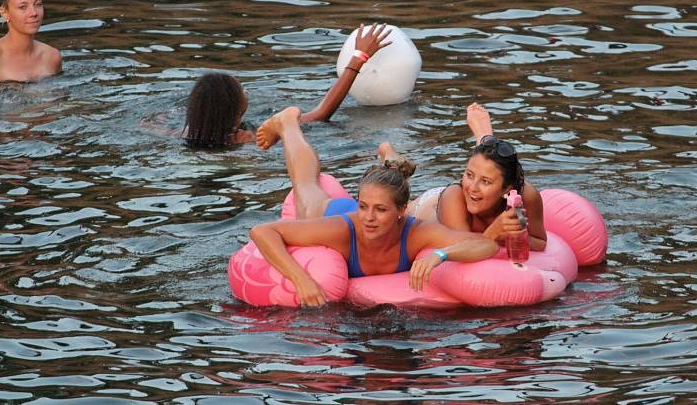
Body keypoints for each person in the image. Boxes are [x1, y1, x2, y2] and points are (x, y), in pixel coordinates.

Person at [250, 106, 499, 307]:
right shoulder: (341, 230)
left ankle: (389, 159)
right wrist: (301, 280)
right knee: (306, 185)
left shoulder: (415, 234)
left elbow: (485, 244)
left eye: (380, 210)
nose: (368, 217)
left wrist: (441, 254)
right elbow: (263, 231)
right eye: (364, 207)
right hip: (332, 211)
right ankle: (288, 123)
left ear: (402, 210)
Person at [182, 23, 392, 147]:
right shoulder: (248, 138)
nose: (246, 91)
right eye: (241, 89)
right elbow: (321, 114)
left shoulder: (189, 133)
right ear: (234, 110)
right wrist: (358, 57)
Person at [404, 102, 548, 251]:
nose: (473, 187)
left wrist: (509, 236)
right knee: (398, 204)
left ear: (507, 189)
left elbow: (540, 242)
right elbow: (460, 248)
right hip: (429, 206)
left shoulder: (526, 196)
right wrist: (495, 231)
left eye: (486, 182)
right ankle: (391, 157)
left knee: (484, 168)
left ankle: (485, 141)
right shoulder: (453, 197)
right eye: (469, 174)